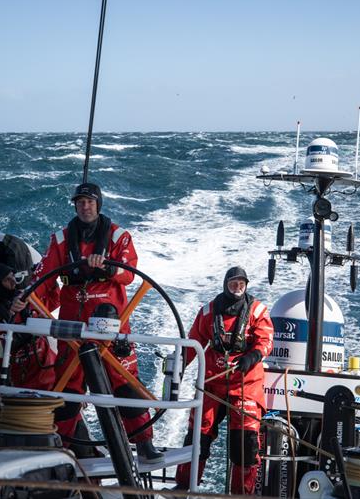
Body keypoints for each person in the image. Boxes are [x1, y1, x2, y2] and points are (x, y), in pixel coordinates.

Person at [34, 182, 162, 462]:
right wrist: (25, 299)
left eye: (90, 201)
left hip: (111, 326)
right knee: (67, 389)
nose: (85, 206)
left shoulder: (119, 236)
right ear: (75, 206)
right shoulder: (60, 240)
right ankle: (62, 446)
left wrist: (106, 266)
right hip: (73, 326)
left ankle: (143, 444)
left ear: (99, 204)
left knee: (126, 385)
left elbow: (130, 273)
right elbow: (43, 277)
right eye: (80, 202)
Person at [174, 266, 274, 494]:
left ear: (246, 285)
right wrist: (178, 367)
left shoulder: (258, 311)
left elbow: (266, 341)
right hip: (212, 384)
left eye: (241, 284)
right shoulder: (209, 312)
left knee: (245, 444)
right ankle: (183, 488)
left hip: (246, 386)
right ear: (225, 285)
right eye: (233, 284)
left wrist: (253, 356)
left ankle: (241, 494)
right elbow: (194, 343)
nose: (237, 288)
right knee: (198, 436)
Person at [0, 263, 56, 391]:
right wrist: (18, 336)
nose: (13, 282)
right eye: (7, 279)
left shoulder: (25, 299)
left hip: (47, 366)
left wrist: (47, 279)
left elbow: (54, 300)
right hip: (19, 376)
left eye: (13, 277)